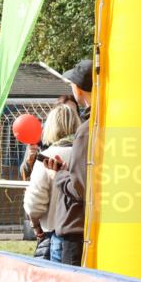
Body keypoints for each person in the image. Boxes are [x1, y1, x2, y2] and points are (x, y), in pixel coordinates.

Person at [44, 59, 93, 266]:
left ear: (78, 88)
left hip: (75, 232)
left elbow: (81, 188)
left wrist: (59, 176)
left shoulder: (87, 130)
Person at [23, 103, 80, 260]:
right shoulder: (86, 155)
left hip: (54, 235)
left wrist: (36, 228)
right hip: (84, 236)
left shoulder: (47, 157)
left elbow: (34, 204)